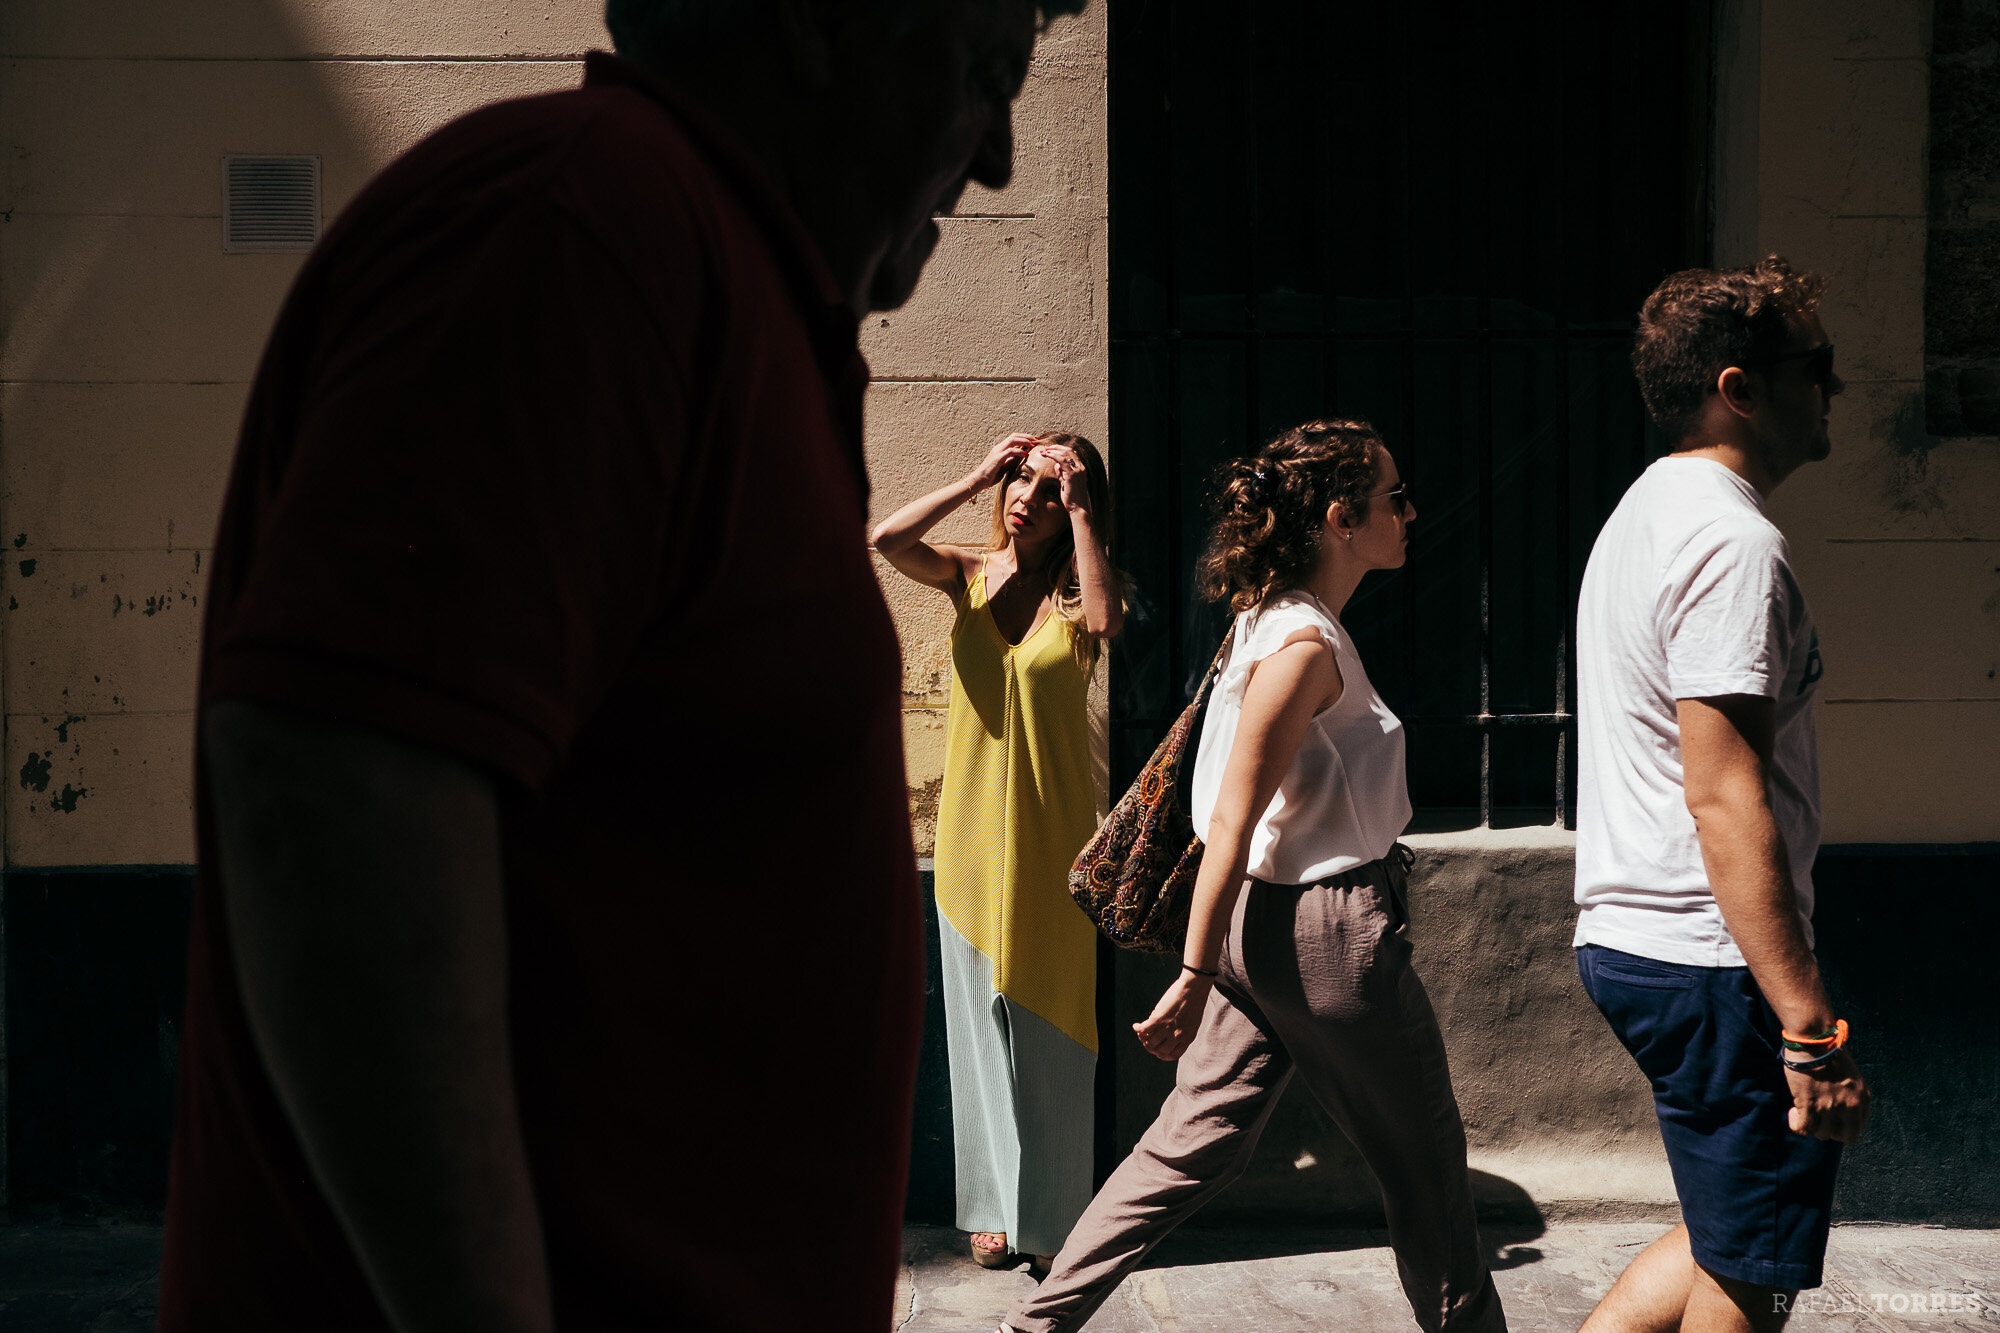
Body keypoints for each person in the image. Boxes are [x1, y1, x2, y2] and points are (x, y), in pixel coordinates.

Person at [158, 2, 1084, 1330]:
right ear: (829, 21)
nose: (997, 158)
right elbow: (336, 792)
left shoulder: (713, 282)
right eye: (988, 76)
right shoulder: (579, 224)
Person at [1000, 419, 1506, 1333]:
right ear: (1344, 519)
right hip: (1324, 932)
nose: (1412, 512)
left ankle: (1034, 1325)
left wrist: (1211, 959)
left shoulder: (1259, 623)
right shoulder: (1303, 646)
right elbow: (1230, 816)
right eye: (1395, 497)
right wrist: (1191, 975)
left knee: (1186, 1147)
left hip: (1255, 932)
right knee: (1425, 1167)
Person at [1572, 256, 1870, 1333]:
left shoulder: (1649, 511)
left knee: (1723, 1229)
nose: (1828, 389)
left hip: (1647, 941)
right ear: (1737, 388)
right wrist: (1807, 1028)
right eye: (1814, 368)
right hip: (1709, 956)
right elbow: (1722, 793)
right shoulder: (1728, 541)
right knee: (1753, 1267)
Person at [872, 431, 1123, 1270]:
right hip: (973, 837)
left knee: (1052, 1024)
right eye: (1022, 480)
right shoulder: (966, 577)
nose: (1029, 497)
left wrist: (1085, 510)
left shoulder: (1080, 591)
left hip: (1055, 841)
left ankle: (1054, 1217)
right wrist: (976, 471)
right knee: (977, 1024)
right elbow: (886, 541)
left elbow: (1105, 621)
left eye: (1050, 490)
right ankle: (987, 1206)